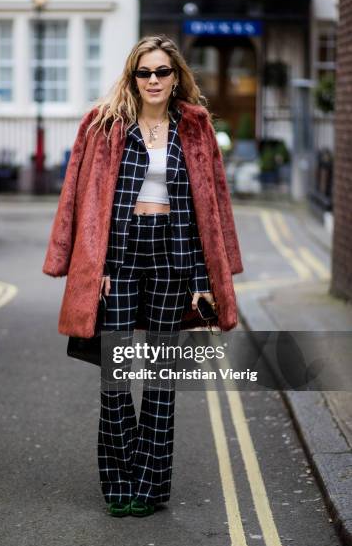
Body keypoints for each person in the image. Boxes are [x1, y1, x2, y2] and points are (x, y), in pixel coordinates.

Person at [42, 34, 243, 518]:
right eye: (144, 72)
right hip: (119, 257)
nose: (153, 80)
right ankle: (118, 482)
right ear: (132, 76)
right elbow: (78, 195)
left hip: (174, 256)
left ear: (177, 78)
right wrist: (92, 264)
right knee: (115, 377)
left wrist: (204, 275)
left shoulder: (195, 128)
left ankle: (149, 486)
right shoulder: (104, 125)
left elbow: (209, 206)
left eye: (162, 72)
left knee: (160, 380)